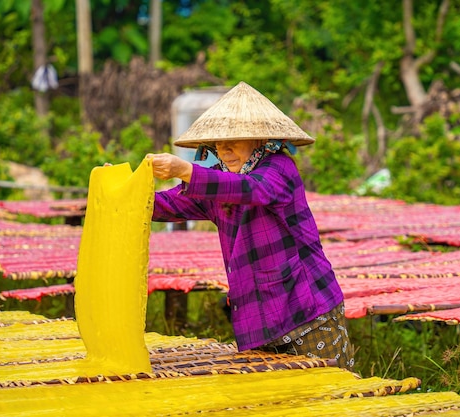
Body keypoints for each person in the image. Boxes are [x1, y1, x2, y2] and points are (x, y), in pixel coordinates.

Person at [147, 81, 355, 370]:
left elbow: (253, 189)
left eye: (235, 139)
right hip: (257, 321)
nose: (225, 149)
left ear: (259, 139)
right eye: (219, 143)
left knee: (330, 400)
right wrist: (124, 191)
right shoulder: (217, 183)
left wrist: (186, 171)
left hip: (306, 311)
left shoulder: (279, 168)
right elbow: (166, 203)